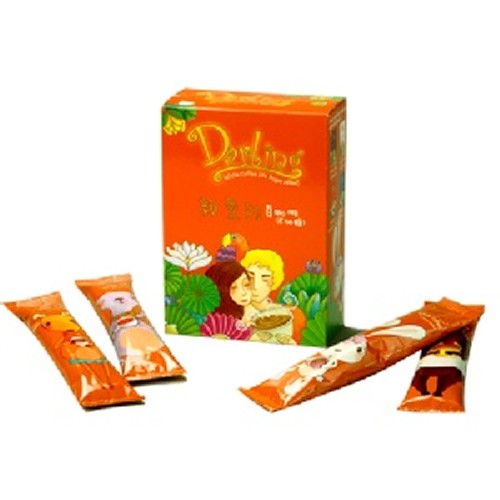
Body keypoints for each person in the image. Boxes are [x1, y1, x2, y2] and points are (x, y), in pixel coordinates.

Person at [240, 249, 306, 343]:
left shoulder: (291, 315)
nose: (255, 285)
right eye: (250, 276)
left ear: (274, 281)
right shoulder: (234, 315)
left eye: (265, 279)